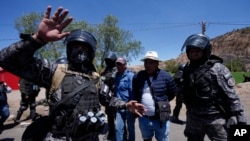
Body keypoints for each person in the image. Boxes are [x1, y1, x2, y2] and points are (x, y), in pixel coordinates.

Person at [0, 6, 145, 141]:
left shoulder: (95, 78)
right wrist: (38, 39)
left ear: (91, 52)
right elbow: (6, 59)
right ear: (69, 50)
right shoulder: (54, 71)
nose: (80, 50)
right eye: (75, 46)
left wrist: (126, 105)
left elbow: (109, 100)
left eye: (84, 47)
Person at [181, 34, 247, 141]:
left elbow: (231, 95)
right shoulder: (186, 70)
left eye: (197, 51)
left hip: (216, 118)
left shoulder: (217, 68)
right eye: (191, 51)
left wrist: (241, 119)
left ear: (205, 51)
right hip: (193, 118)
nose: (194, 54)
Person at [133, 51, 177, 141]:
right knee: (146, 139)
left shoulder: (166, 76)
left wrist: (162, 102)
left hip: (161, 119)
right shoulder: (138, 76)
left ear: (157, 63)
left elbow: (172, 93)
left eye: (151, 62)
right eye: (146, 62)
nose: (148, 65)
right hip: (144, 118)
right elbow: (135, 91)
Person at [114, 57, 135, 141]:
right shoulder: (116, 75)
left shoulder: (130, 75)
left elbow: (132, 91)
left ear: (125, 64)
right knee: (118, 129)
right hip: (119, 106)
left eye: (121, 64)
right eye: (117, 64)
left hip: (129, 106)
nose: (119, 66)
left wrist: (132, 106)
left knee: (130, 129)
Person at [99, 52, 117, 141]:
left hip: (115, 95)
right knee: (109, 115)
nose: (108, 62)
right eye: (107, 60)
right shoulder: (106, 69)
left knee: (117, 115)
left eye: (109, 60)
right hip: (107, 96)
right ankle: (111, 132)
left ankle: (120, 132)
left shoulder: (116, 69)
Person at [0, 67, 12, 134]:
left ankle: (0, 122)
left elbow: (10, 90)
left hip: (3, 103)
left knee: (6, 114)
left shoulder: (2, 84)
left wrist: (6, 87)